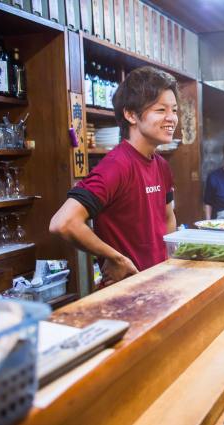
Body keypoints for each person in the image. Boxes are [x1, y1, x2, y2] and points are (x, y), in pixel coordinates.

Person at [50, 66, 177, 286]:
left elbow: (167, 218)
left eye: (174, 110)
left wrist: (169, 263)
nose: (172, 118)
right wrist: (115, 258)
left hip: (157, 283)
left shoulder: (162, 166)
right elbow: (63, 222)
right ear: (130, 114)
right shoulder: (117, 165)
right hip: (126, 292)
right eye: (160, 110)